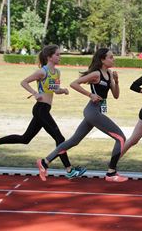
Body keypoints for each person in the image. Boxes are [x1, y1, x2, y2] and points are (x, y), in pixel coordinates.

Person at [0, 44, 85, 179]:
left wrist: (63, 90)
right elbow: (24, 82)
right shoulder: (42, 72)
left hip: (45, 109)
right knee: (60, 138)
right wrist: (35, 93)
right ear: (49, 57)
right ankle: (69, 170)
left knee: (25, 138)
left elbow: (54, 89)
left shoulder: (56, 72)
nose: (59, 57)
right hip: (40, 109)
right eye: (57, 54)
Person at [36, 48, 128, 182]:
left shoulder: (108, 73)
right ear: (102, 59)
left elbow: (116, 95)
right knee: (120, 138)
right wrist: (90, 95)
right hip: (92, 112)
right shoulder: (96, 74)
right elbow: (74, 84)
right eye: (111, 57)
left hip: (95, 112)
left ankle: (44, 162)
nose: (113, 59)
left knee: (74, 141)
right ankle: (111, 172)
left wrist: (116, 81)